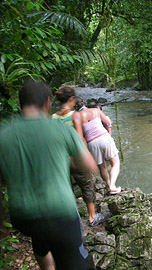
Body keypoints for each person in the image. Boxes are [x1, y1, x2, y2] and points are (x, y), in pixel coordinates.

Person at [0, 80, 96, 269]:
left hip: (23, 216)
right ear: (47, 103)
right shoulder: (59, 129)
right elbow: (89, 165)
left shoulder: (4, 135)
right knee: (74, 260)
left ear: (21, 104)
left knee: (40, 235)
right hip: (59, 212)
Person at [52, 87, 109, 226]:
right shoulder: (74, 115)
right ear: (72, 99)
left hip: (61, 158)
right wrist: (87, 156)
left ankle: (71, 218)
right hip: (75, 158)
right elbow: (79, 138)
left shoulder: (53, 117)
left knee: (67, 188)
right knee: (87, 185)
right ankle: (92, 216)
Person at [74, 96, 122, 194]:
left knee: (102, 167)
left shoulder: (77, 117)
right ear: (84, 103)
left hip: (92, 143)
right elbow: (108, 123)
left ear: (75, 107)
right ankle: (113, 185)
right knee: (115, 163)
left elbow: (80, 136)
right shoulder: (96, 110)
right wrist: (109, 134)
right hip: (104, 138)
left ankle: (109, 186)